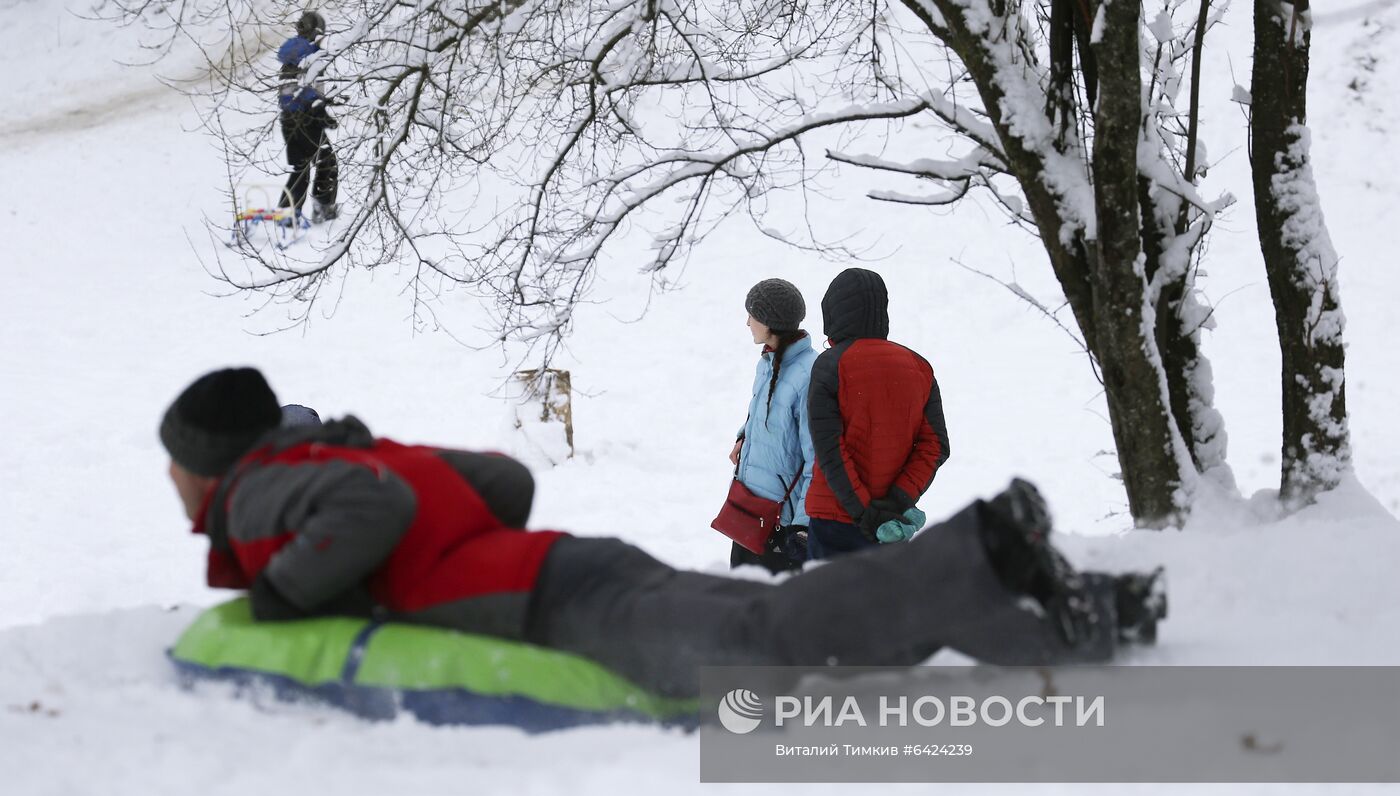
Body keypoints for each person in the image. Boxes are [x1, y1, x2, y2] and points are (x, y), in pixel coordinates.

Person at [159, 368, 1165, 699]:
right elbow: (503, 482)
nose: (173, 481)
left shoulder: (258, 493)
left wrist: (289, 592)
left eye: (175, 463)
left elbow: (367, 521)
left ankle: (982, 546)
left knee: (765, 647)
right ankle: (1055, 611)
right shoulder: (349, 452)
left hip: (551, 602)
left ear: (208, 461)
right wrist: (433, 549)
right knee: (786, 624)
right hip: (573, 563)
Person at [805, 267, 950, 559]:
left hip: (835, 519)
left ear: (832, 312)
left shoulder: (830, 365)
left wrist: (864, 513)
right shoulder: (919, 367)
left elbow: (831, 450)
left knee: (824, 604)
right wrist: (897, 500)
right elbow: (935, 446)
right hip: (891, 526)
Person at [725, 279, 818, 573]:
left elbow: (816, 458)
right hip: (749, 512)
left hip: (781, 526)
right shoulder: (768, 361)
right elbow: (766, 412)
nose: (747, 322)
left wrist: (802, 527)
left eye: (752, 314)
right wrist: (745, 436)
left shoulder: (809, 375)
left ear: (770, 321)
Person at [275, 10, 339, 223]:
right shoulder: (310, 55)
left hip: (289, 120)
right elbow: (308, 90)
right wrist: (320, 113)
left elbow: (294, 89)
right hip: (306, 120)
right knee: (327, 162)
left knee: (301, 167)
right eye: (322, 34)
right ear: (315, 32)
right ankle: (324, 208)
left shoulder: (293, 52)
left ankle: (287, 212)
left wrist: (324, 106)